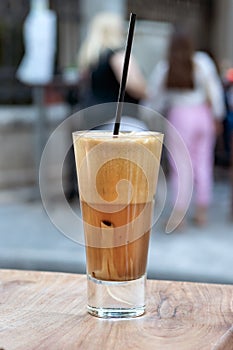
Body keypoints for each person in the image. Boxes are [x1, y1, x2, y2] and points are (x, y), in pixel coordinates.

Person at [145, 28, 226, 228]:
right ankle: (201, 211)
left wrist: (146, 115)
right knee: (203, 162)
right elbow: (214, 91)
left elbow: (154, 98)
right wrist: (218, 116)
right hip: (203, 116)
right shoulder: (203, 62)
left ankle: (179, 216)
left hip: (179, 117)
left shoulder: (166, 67)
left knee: (181, 167)